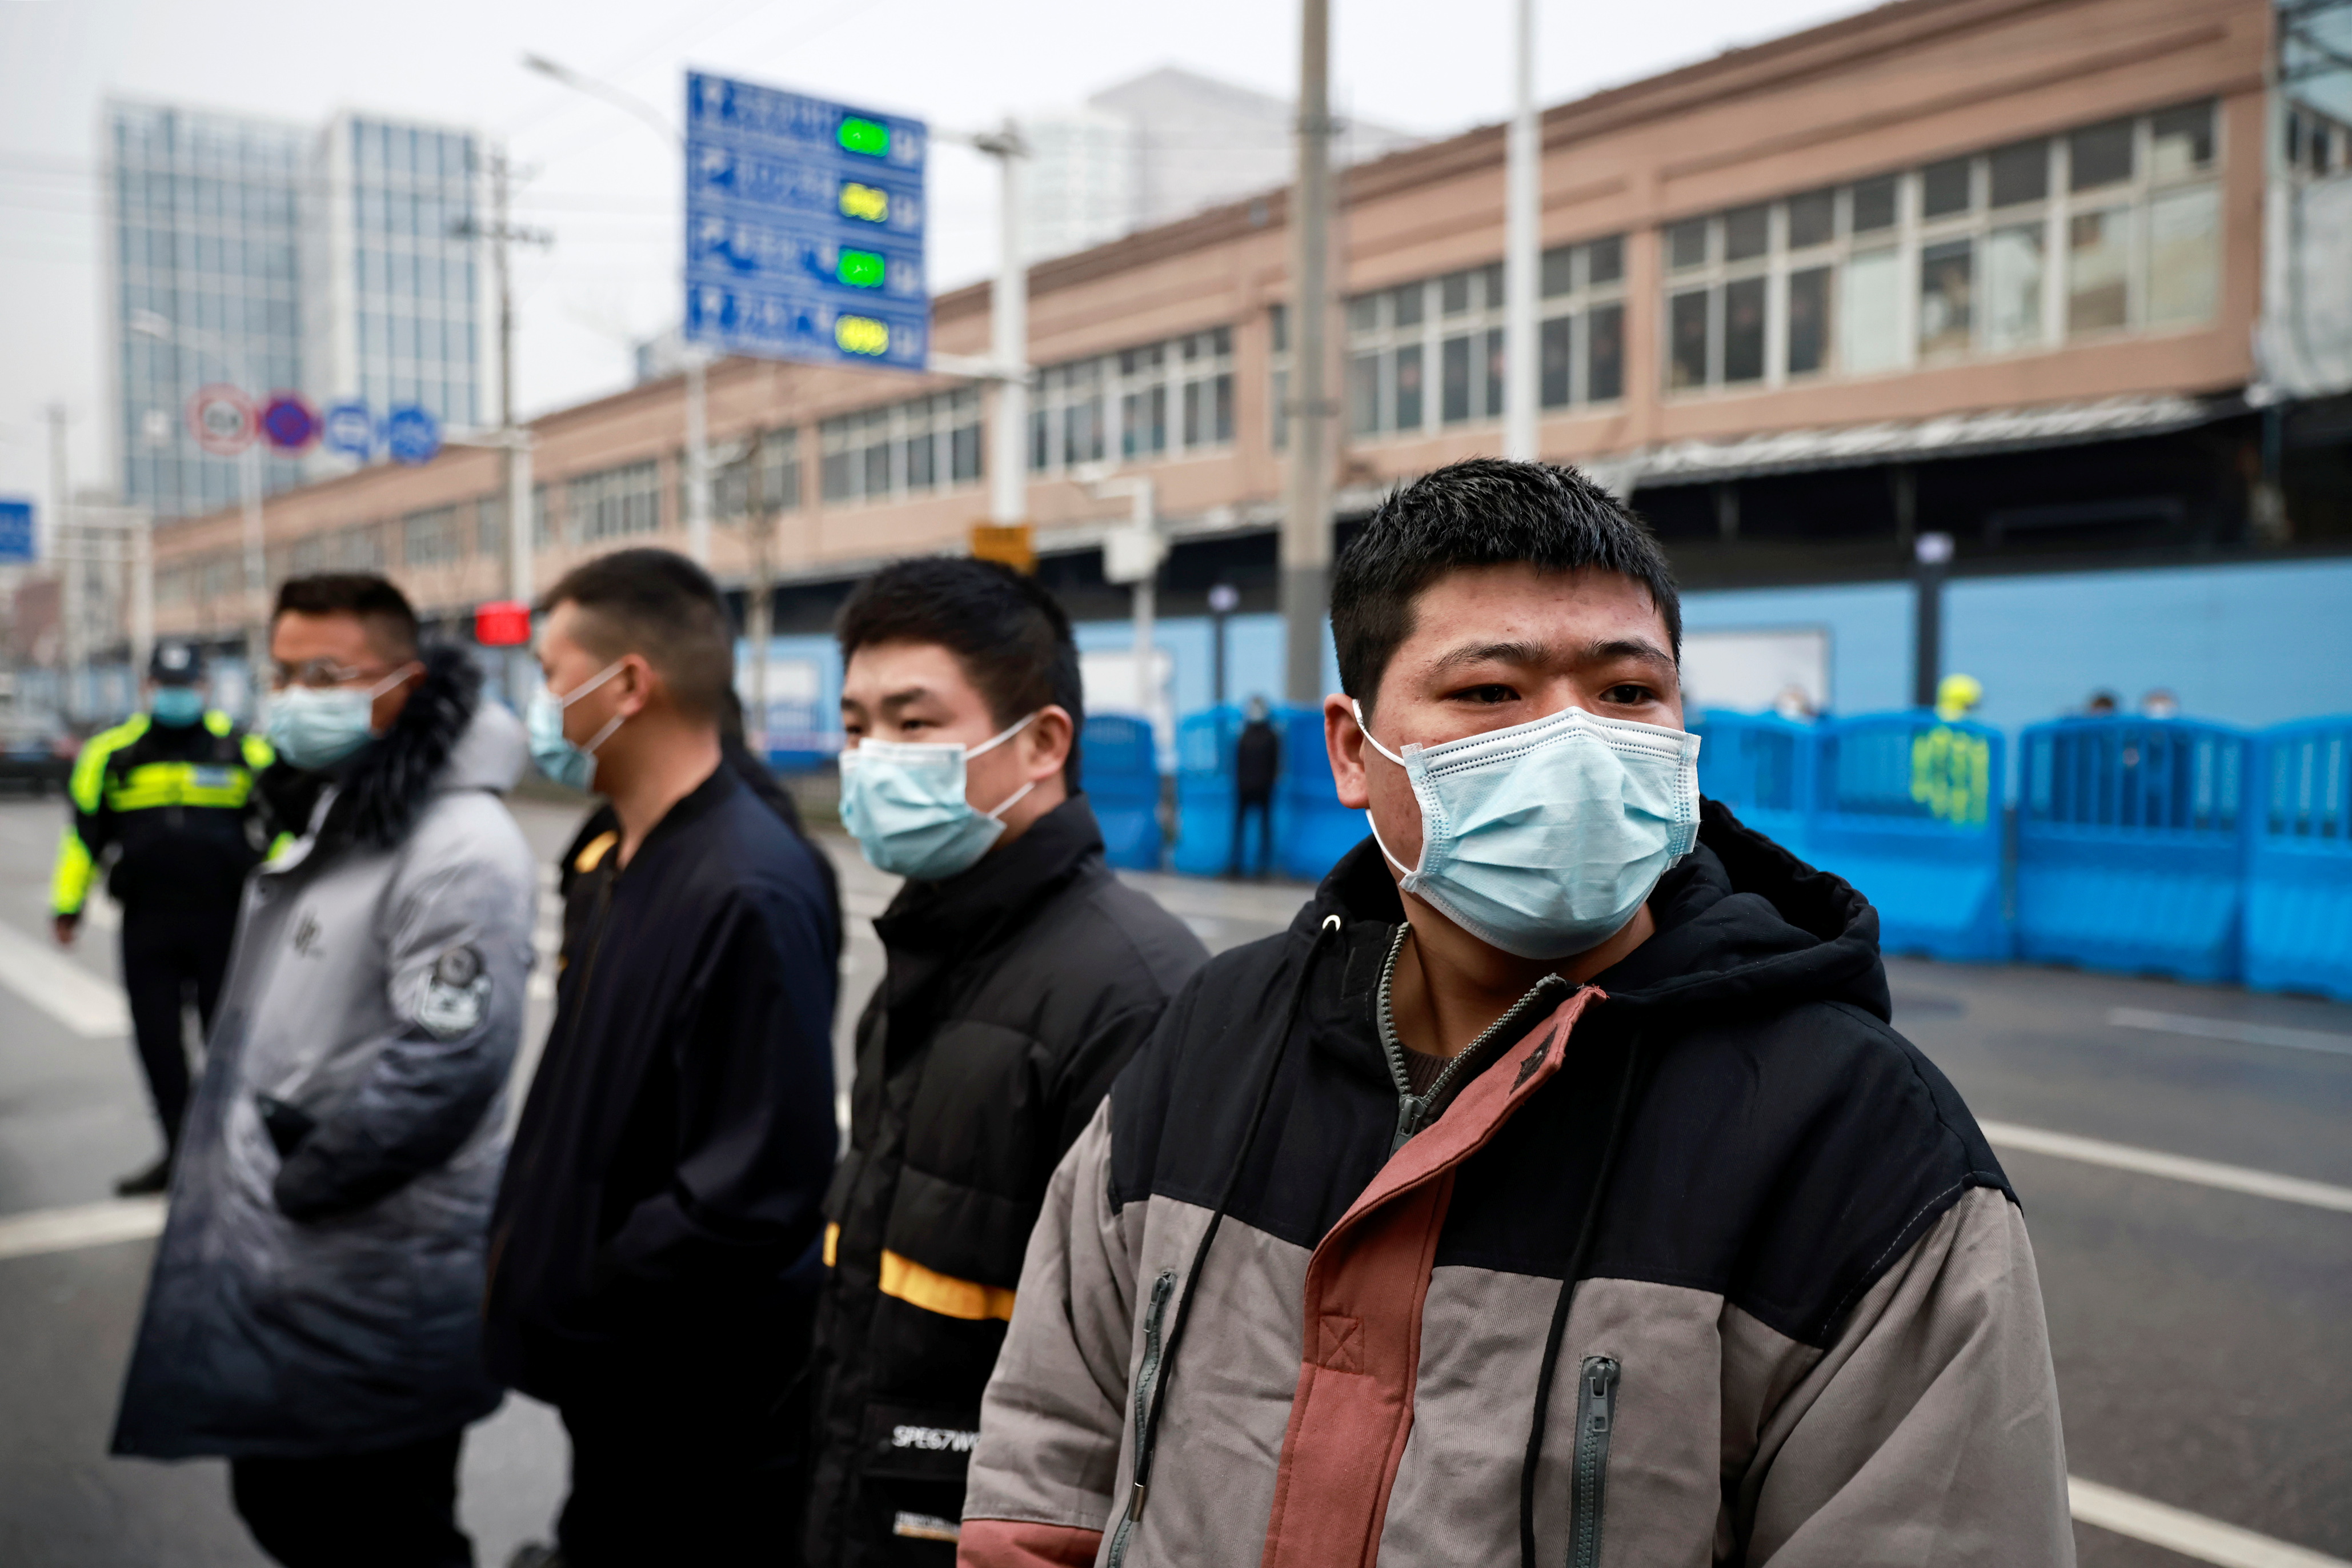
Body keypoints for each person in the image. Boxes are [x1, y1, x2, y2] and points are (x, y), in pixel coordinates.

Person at [960, 459, 2069, 1567]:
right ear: (1354, 749)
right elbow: (1050, 1448)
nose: (1574, 743)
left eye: (1628, 692)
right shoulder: (1218, 1033)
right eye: (1492, 692)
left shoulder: (1861, 1142)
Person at [111, 574, 538, 1568]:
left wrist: (303, 1180)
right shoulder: (343, 808)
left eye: (327, 674)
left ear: (406, 682)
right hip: (303, 1271)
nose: (298, 695)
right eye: (284, 672)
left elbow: (445, 1064)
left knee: (375, 1530)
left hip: (375, 1275)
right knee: (289, 1509)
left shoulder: (460, 846)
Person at [804, 556, 1208, 1566]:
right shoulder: (929, 950)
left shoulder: (1133, 987)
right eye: (856, 727)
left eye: (912, 722)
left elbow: (1149, 1379)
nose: (871, 757)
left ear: (1039, 743)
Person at [485, 547, 840, 1568]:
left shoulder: (746, 887)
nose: (542, 711)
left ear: (627, 684)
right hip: (616, 1381)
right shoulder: (614, 854)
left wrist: (588, 1288)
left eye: (552, 680)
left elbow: (750, 1190)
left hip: (685, 1396)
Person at [50, 640, 273, 1194]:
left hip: (224, 922)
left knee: (228, 1040)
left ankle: (225, 1152)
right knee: (157, 1042)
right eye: (166, 686)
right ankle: (178, 1153)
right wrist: (68, 906)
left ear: (204, 687)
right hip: (148, 923)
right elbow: (83, 838)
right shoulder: (110, 753)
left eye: (187, 686)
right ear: (147, 688)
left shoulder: (242, 747)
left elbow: (283, 830)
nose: (177, 696)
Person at [1231, 694, 1280, 877]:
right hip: (1249, 789)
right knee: (1245, 829)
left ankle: (1261, 868)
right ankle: (1239, 866)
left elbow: (1275, 765)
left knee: (1259, 829)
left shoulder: (1249, 735)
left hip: (1258, 789)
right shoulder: (1262, 735)